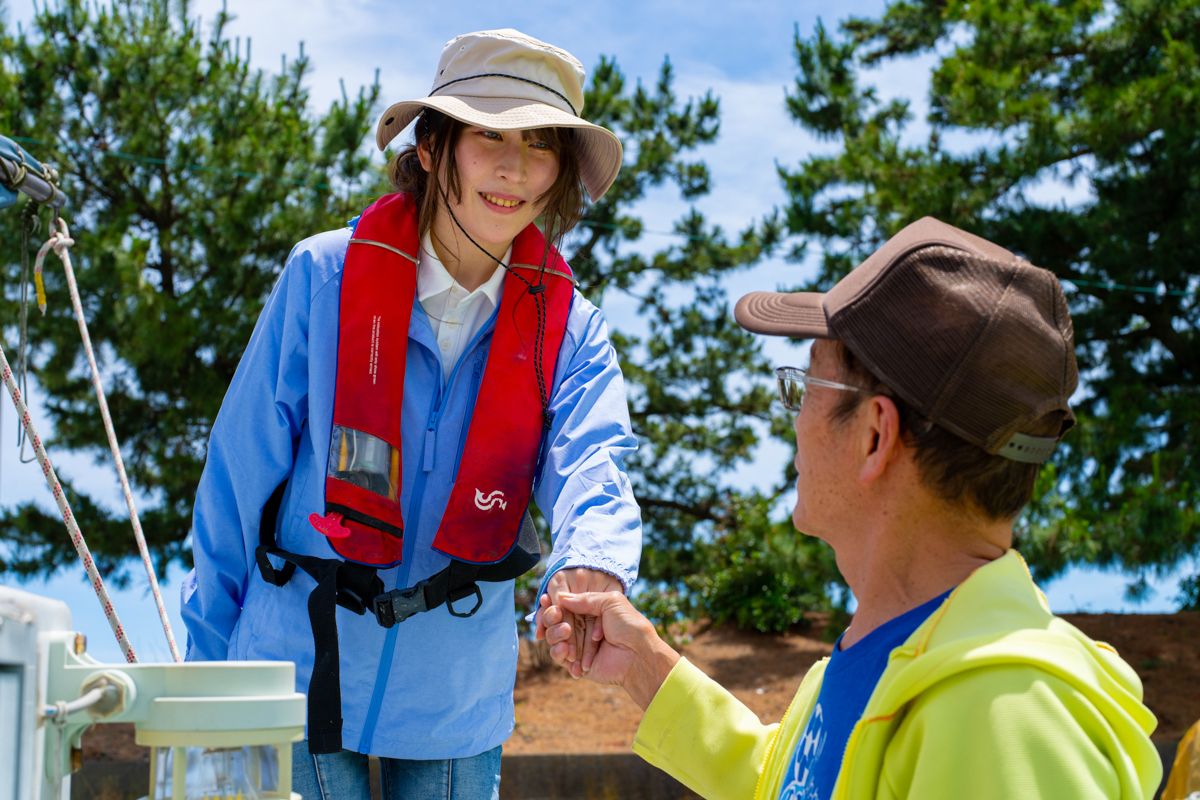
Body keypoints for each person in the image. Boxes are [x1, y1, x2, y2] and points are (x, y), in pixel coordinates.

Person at [541, 217, 1163, 799]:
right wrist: (645, 668)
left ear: (874, 435)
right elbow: (787, 785)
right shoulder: (889, 663)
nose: (793, 418)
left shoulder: (1004, 715)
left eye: (805, 384)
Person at [181, 29, 642, 799]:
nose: (512, 167)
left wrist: (593, 561)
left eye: (539, 145)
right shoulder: (321, 276)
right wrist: (203, 686)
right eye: (487, 135)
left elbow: (594, 463)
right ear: (431, 148)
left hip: (455, 699)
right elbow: (236, 478)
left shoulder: (573, 330)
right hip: (292, 674)